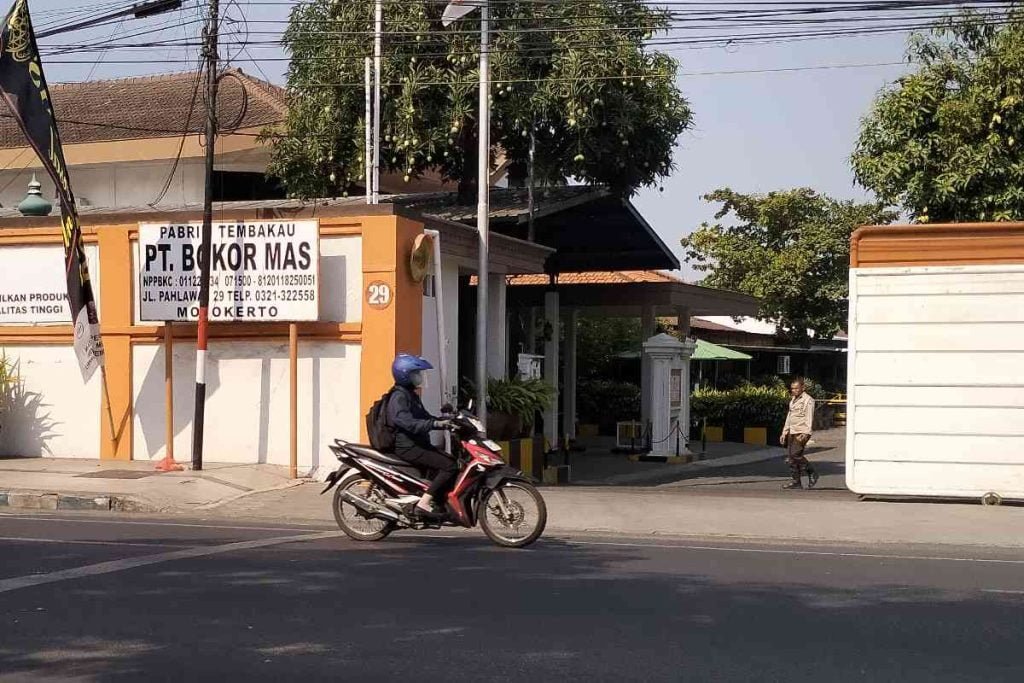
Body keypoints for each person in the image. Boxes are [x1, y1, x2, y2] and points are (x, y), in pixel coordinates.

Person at [386, 353, 457, 520]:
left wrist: (444, 421)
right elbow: (408, 423)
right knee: (450, 466)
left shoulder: (410, 395)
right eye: (416, 374)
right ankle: (423, 503)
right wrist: (434, 425)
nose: (419, 377)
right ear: (405, 375)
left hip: (417, 442)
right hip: (407, 446)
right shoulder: (399, 397)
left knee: (447, 461)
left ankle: (437, 501)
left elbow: (424, 417)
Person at [780, 378, 818, 490]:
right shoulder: (793, 400)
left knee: (795, 455)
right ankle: (796, 481)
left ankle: (812, 472)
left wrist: (807, 433)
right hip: (792, 430)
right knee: (791, 458)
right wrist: (784, 432)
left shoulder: (808, 400)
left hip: (801, 431)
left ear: (803, 388)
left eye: (796, 388)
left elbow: (809, 417)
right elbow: (789, 416)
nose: (794, 390)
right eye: (792, 388)